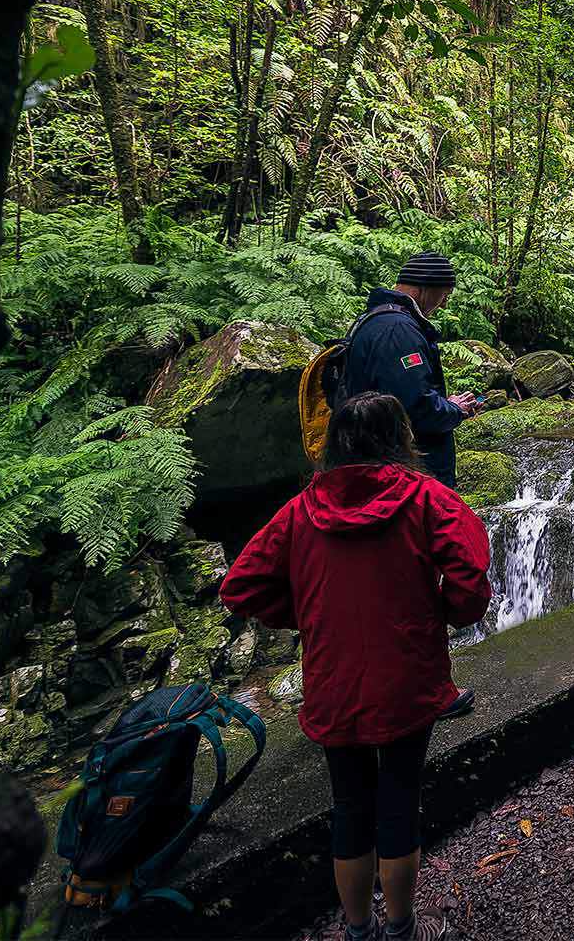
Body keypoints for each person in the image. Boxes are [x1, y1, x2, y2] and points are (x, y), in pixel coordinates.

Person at [220, 392, 490, 941]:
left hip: (332, 679)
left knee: (349, 805)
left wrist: (306, 614)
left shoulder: (300, 511)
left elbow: (239, 586)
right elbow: (469, 570)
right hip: (408, 675)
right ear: (400, 439)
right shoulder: (425, 498)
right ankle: (401, 926)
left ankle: (357, 927)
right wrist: (449, 612)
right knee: (398, 797)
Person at [338, 251, 485, 489]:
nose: (445, 303)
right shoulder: (398, 331)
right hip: (405, 474)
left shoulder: (376, 320)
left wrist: (445, 404)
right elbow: (417, 408)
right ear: (423, 287)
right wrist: (456, 410)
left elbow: (399, 394)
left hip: (376, 464)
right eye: (444, 294)